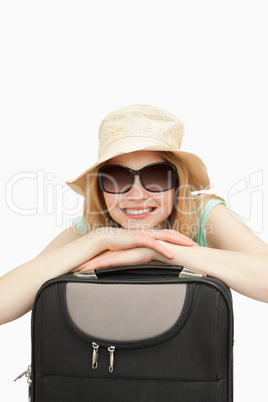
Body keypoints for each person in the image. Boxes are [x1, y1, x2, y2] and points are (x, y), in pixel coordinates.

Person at [1, 104, 268, 325]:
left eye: (155, 176)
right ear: (100, 188)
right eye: (117, 177)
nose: (137, 195)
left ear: (177, 183)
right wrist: (97, 240)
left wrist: (156, 250)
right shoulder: (92, 227)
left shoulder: (204, 215)